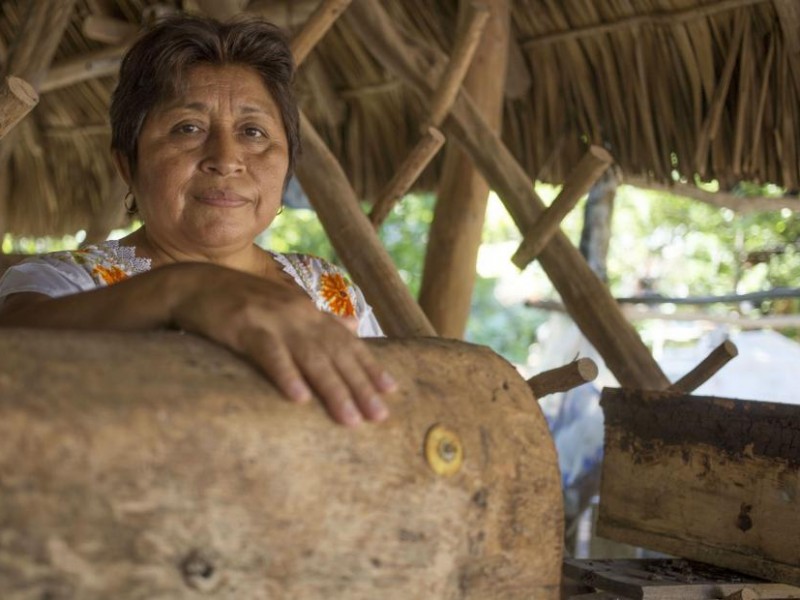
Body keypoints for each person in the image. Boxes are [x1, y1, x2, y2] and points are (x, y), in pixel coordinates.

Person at [0, 15, 396, 426]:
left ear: (287, 166)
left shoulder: (329, 292)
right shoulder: (64, 284)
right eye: (188, 128)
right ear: (127, 165)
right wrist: (180, 290)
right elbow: (13, 345)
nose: (225, 160)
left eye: (253, 132)